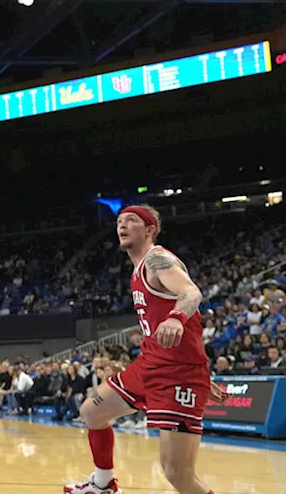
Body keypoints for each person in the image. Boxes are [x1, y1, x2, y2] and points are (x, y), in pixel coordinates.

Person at [65, 206, 224, 494]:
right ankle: (103, 484)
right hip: (150, 364)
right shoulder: (138, 269)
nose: (122, 226)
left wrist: (177, 319)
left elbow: (191, 292)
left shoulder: (158, 260)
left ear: (150, 229)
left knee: (177, 474)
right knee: (91, 411)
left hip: (178, 374)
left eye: (131, 221)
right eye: (119, 222)